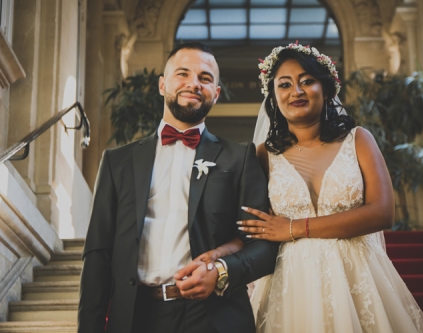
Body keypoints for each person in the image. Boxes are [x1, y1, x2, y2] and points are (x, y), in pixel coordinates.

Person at [78, 42, 280, 333]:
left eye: (205, 78)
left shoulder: (241, 158)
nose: (193, 84)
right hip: (136, 317)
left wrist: (222, 272)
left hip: (215, 317)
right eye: (182, 74)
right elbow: (98, 254)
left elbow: (262, 245)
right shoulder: (116, 162)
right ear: (162, 84)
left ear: (217, 93)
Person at [238, 42, 423, 332]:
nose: (297, 91)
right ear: (274, 97)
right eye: (284, 84)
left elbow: (382, 212)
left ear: (327, 89)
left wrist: (293, 228)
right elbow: (255, 227)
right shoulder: (262, 156)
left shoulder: (358, 140)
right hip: (292, 280)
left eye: (307, 81)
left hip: (358, 274)